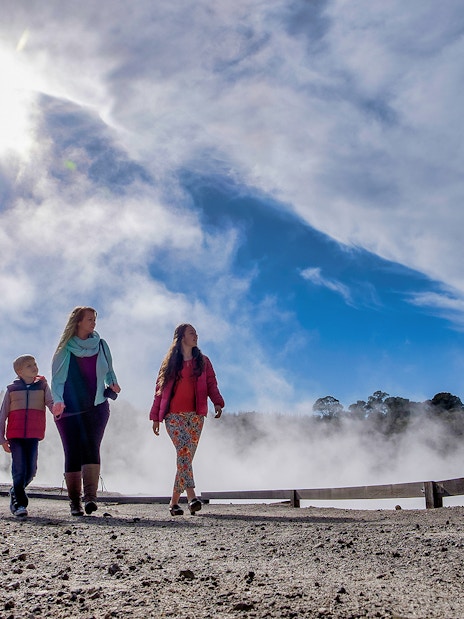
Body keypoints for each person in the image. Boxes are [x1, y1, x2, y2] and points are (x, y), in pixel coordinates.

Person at [51, 306, 120, 516]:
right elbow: (57, 380)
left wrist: (114, 384)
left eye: (94, 319)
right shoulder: (65, 348)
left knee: (92, 447)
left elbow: (109, 370)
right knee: (72, 451)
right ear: (78, 322)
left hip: (97, 406)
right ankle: (75, 503)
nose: (93, 323)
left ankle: (90, 499)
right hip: (69, 410)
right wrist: (58, 401)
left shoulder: (100, 345)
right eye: (90, 319)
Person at [150, 323, 224, 516]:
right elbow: (159, 392)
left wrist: (217, 402)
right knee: (183, 451)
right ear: (182, 337)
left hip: (196, 416)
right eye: (192, 333)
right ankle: (192, 497)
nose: (196, 336)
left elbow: (211, 384)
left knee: (185, 459)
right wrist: (155, 417)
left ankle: (174, 503)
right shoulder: (170, 363)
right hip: (173, 416)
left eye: (196, 333)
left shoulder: (204, 361)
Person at [0, 355, 55, 517]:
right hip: (15, 436)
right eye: (29, 366)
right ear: (19, 371)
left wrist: (58, 411)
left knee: (31, 470)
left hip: (33, 435)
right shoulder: (12, 389)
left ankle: (14, 490)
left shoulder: (43, 386)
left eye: (35, 364)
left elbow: (51, 403)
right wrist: (1, 439)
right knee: (19, 469)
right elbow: (2, 415)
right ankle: (19, 504)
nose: (34, 367)